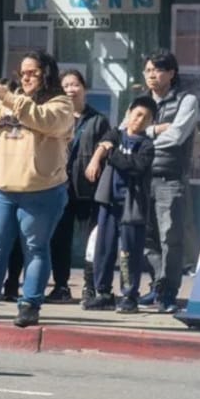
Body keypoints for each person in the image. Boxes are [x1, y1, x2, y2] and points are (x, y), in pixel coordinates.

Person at [0, 54, 77, 327]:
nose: (25, 77)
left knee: (35, 248)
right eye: (22, 72)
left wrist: (8, 98)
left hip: (42, 189)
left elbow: (44, 120)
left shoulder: (60, 103)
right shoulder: (8, 99)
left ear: (46, 74)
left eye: (32, 73)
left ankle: (29, 304)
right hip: (2, 186)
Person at [133, 51, 200, 314]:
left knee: (170, 238)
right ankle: (156, 287)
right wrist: (152, 131)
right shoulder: (140, 102)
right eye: (148, 70)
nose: (152, 75)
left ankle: (169, 292)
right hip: (141, 177)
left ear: (172, 73)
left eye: (158, 70)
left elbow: (176, 136)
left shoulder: (187, 100)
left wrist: (145, 134)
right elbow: (125, 131)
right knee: (147, 239)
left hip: (170, 178)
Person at [88, 99, 157, 314]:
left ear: (151, 122)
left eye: (146, 118)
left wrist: (113, 154)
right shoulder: (116, 135)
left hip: (131, 205)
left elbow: (135, 166)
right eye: (137, 114)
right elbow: (103, 144)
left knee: (128, 252)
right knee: (104, 248)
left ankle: (129, 295)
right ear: (128, 113)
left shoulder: (147, 145)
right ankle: (103, 293)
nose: (139, 120)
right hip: (109, 201)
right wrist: (96, 159)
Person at [57, 70, 115, 305]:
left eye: (75, 84)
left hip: (90, 188)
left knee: (92, 240)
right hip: (61, 185)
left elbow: (109, 143)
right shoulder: (57, 117)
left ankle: (89, 287)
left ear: (84, 88)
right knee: (60, 239)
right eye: (66, 85)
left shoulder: (98, 119)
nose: (71, 89)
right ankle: (61, 285)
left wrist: (96, 158)